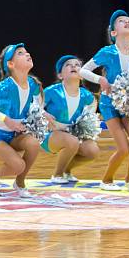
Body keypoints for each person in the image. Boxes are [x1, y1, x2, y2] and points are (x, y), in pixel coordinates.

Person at [79, 10, 129, 192]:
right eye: (121, 21)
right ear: (113, 32)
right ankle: (107, 180)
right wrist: (100, 80)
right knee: (123, 148)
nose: (127, 23)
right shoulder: (107, 52)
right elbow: (83, 71)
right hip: (108, 103)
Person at [0, 43, 41, 197]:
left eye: (26, 51)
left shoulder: (32, 83)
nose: (26, 54)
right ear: (11, 64)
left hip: (14, 136)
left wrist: (43, 113)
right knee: (18, 165)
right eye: (20, 53)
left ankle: (20, 183)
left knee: (33, 143)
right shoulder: (5, 86)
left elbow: (36, 102)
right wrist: (6, 119)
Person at [41, 55, 99, 183]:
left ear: (82, 74)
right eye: (68, 65)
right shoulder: (52, 91)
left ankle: (67, 170)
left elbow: (92, 106)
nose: (73, 66)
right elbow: (34, 106)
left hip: (71, 133)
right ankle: (57, 175)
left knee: (92, 150)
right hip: (49, 134)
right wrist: (45, 116)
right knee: (72, 142)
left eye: (77, 65)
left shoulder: (86, 95)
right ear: (60, 75)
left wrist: (86, 123)